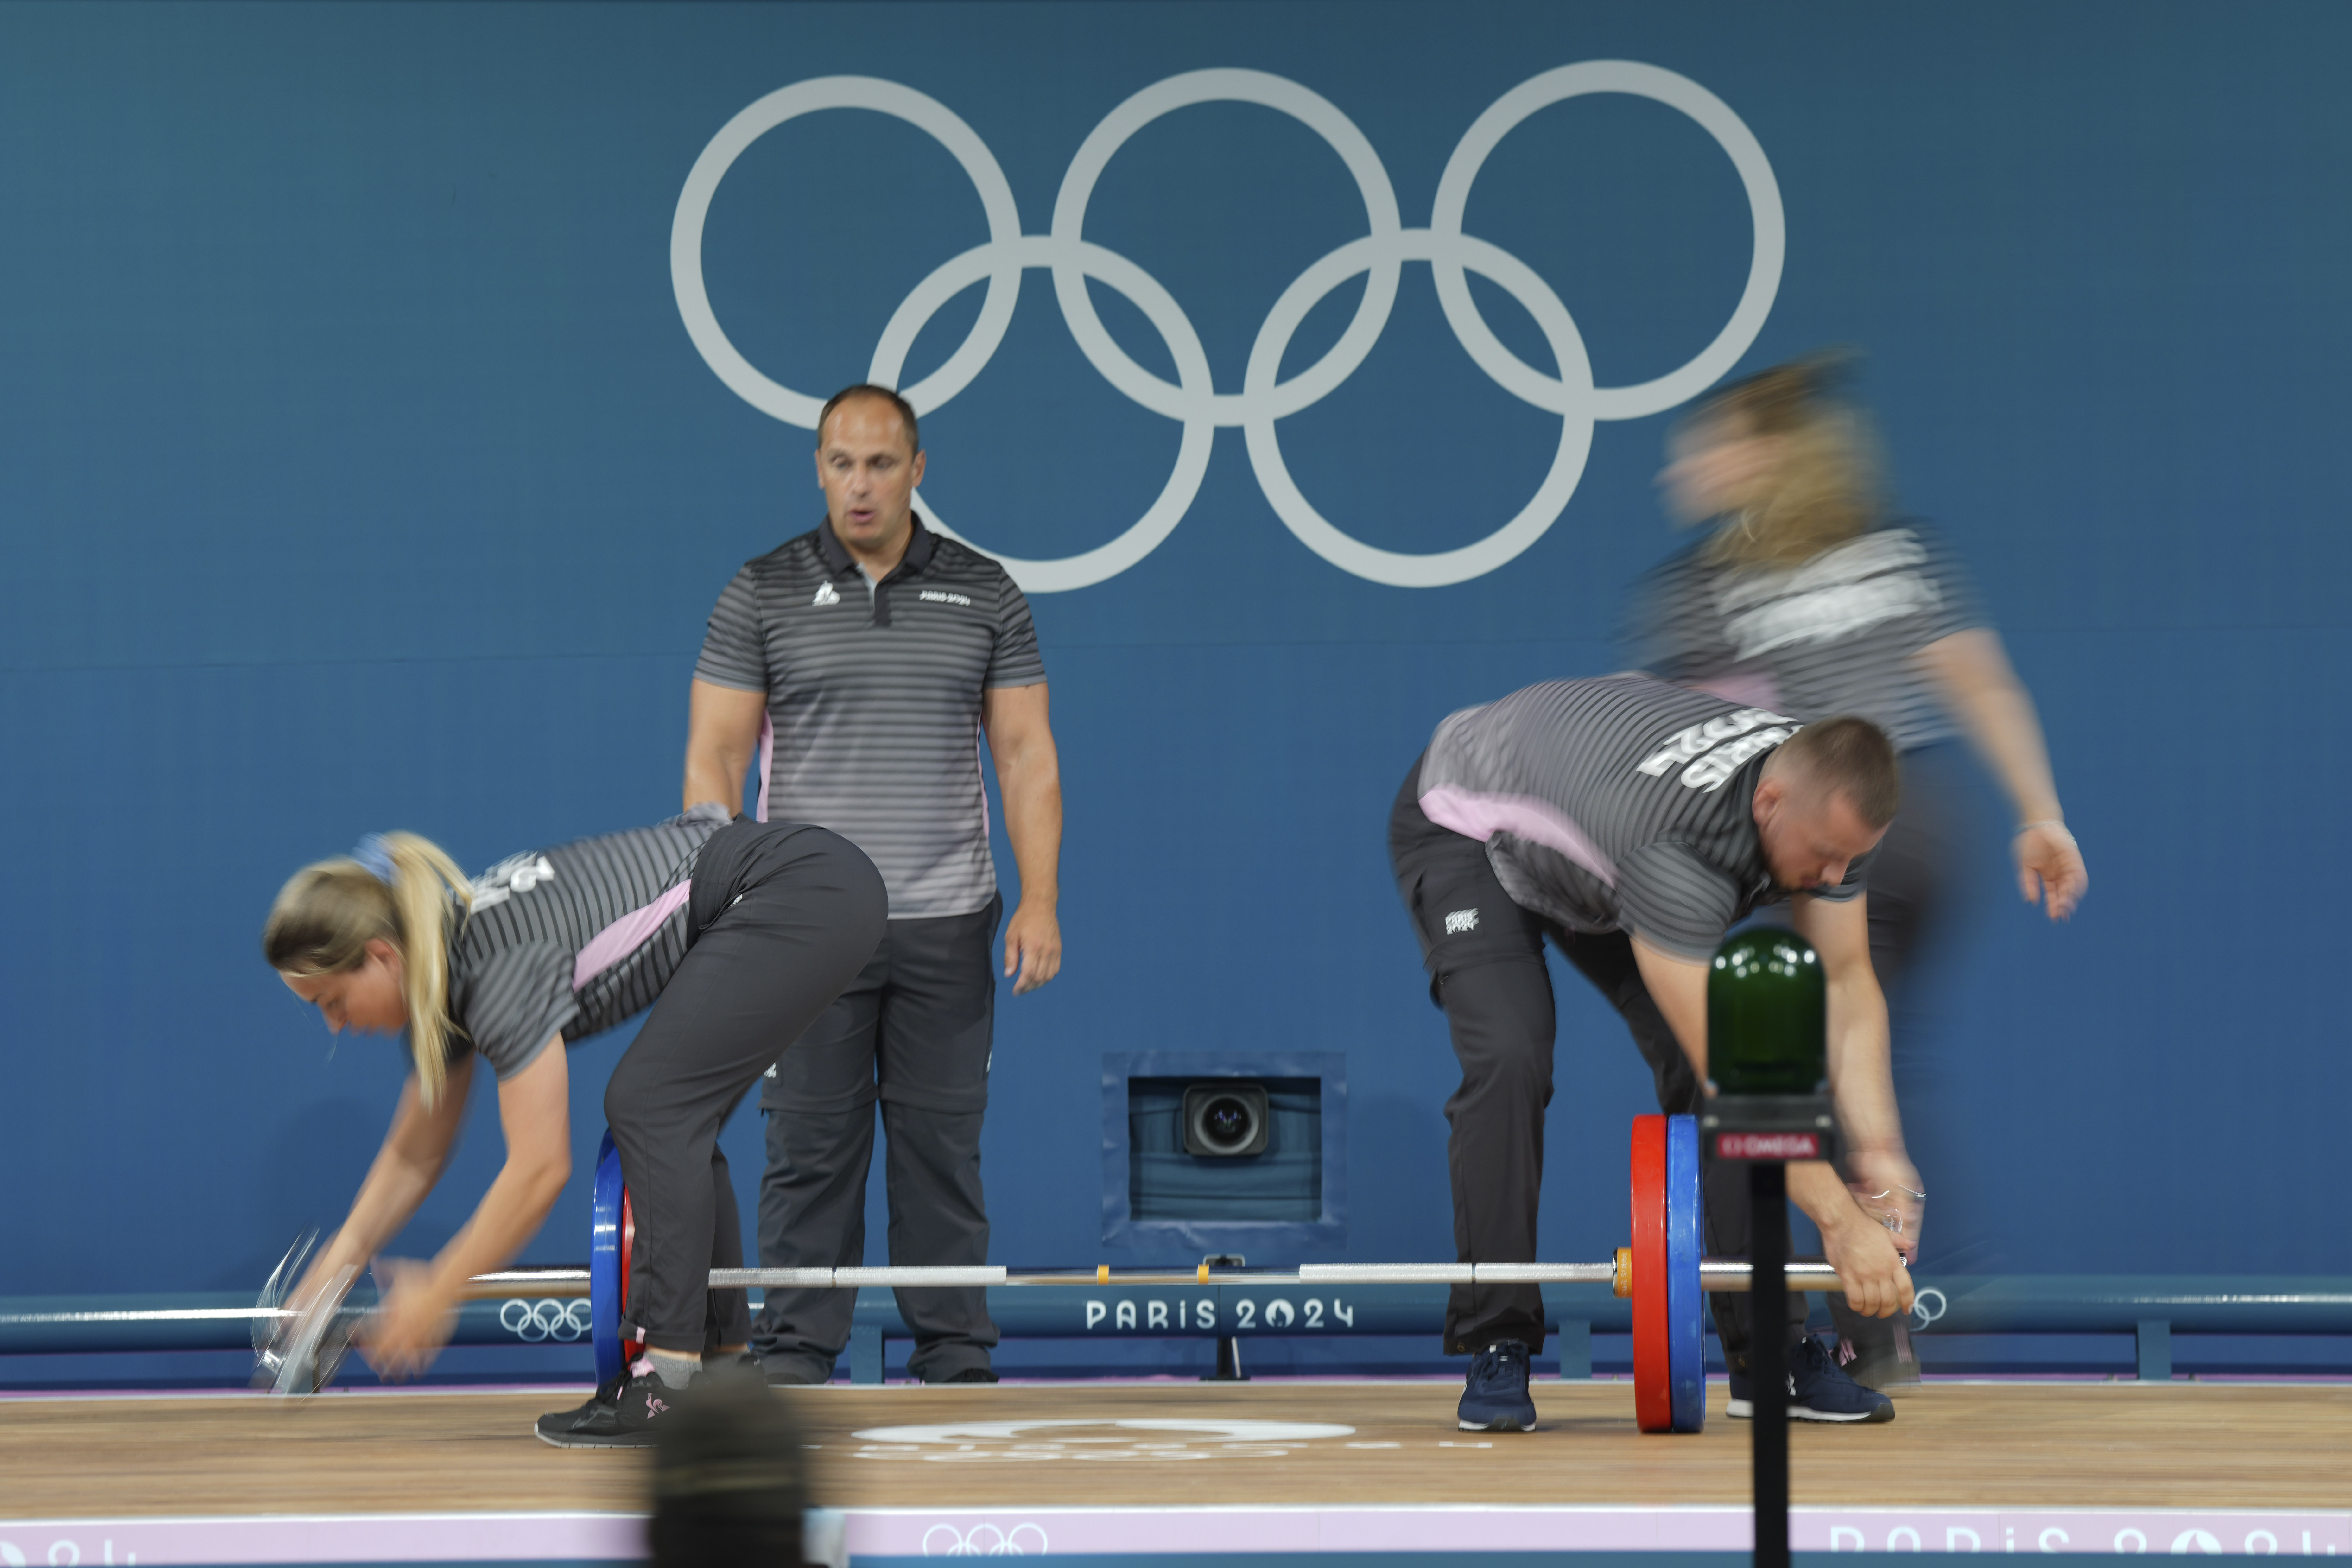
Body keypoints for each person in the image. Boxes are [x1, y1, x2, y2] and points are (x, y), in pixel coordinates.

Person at [1630, 355, 2089, 1387]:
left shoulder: (1702, 585)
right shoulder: (1896, 549)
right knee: (1865, 1048)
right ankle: (1899, 1294)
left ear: (1766, 455)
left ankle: (1869, 1325)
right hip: (1923, 821)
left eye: (1704, 447)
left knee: (1812, 1058)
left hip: (1832, 826)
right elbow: (1980, 682)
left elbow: (1694, 748)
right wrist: (2037, 813)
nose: (1682, 469)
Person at [1390, 675, 1918, 1432]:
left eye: (1852, 860)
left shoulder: (1832, 790)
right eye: (1826, 857)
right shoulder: (1672, 849)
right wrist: (1839, 1223)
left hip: (1598, 841)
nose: (1834, 879)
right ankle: (1498, 1336)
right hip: (1471, 821)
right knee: (1512, 1054)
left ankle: (1770, 1352)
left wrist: (1883, 1153)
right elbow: (1736, 1084)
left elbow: (1844, 979)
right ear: (1769, 803)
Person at [262, 807, 885, 1446]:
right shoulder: (445, 968)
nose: (335, 1025)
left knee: (650, 1107)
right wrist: (340, 1262)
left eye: (332, 1002)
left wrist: (439, 1291)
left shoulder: (490, 969)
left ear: (381, 957)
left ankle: (669, 1383)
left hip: (799, 887)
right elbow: (417, 1153)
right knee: (666, 1122)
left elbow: (539, 1170)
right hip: (810, 885)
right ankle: (723, 1370)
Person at [684, 383, 1063, 1386]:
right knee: (809, 1149)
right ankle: (799, 1351)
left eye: (881, 463)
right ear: (818, 468)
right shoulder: (759, 589)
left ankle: (953, 1352)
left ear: (917, 469)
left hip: (949, 921)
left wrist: (1039, 899)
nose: (860, 484)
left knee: (942, 1153)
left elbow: (1026, 755)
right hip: (802, 930)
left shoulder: (985, 591)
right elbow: (714, 760)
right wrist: (720, 897)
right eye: (842, 463)